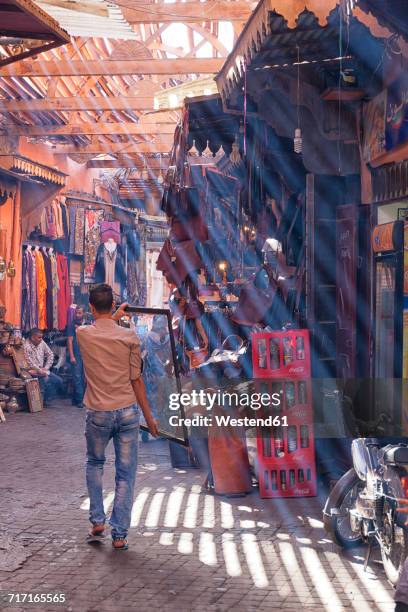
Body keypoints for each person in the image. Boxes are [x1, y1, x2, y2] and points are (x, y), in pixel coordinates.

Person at [77, 283, 159, 551]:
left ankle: (98, 520)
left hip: (98, 412)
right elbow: (137, 381)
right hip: (126, 412)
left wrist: (111, 317)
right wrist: (150, 418)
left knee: (95, 464)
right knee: (125, 474)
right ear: (112, 305)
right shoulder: (130, 338)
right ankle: (120, 534)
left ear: (90, 307)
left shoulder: (83, 334)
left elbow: (100, 326)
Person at [24, 328, 63, 404]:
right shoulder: (26, 346)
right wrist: (40, 371)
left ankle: (47, 398)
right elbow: (30, 362)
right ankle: (41, 402)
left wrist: (46, 368)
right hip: (31, 371)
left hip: (42, 369)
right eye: (39, 337)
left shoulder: (41, 342)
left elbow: (50, 354)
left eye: (41, 337)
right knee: (45, 380)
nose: (41, 339)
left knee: (59, 381)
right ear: (32, 337)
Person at [67, 305, 86, 408]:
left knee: (83, 377)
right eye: (76, 313)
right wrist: (72, 356)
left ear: (83, 314)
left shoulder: (87, 325)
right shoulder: (71, 325)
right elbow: (69, 341)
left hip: (86, 353)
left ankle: (76, 399)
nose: (77, 315)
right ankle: (79, 400)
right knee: (77, 376)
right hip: (76, 353)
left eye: (79, 313)